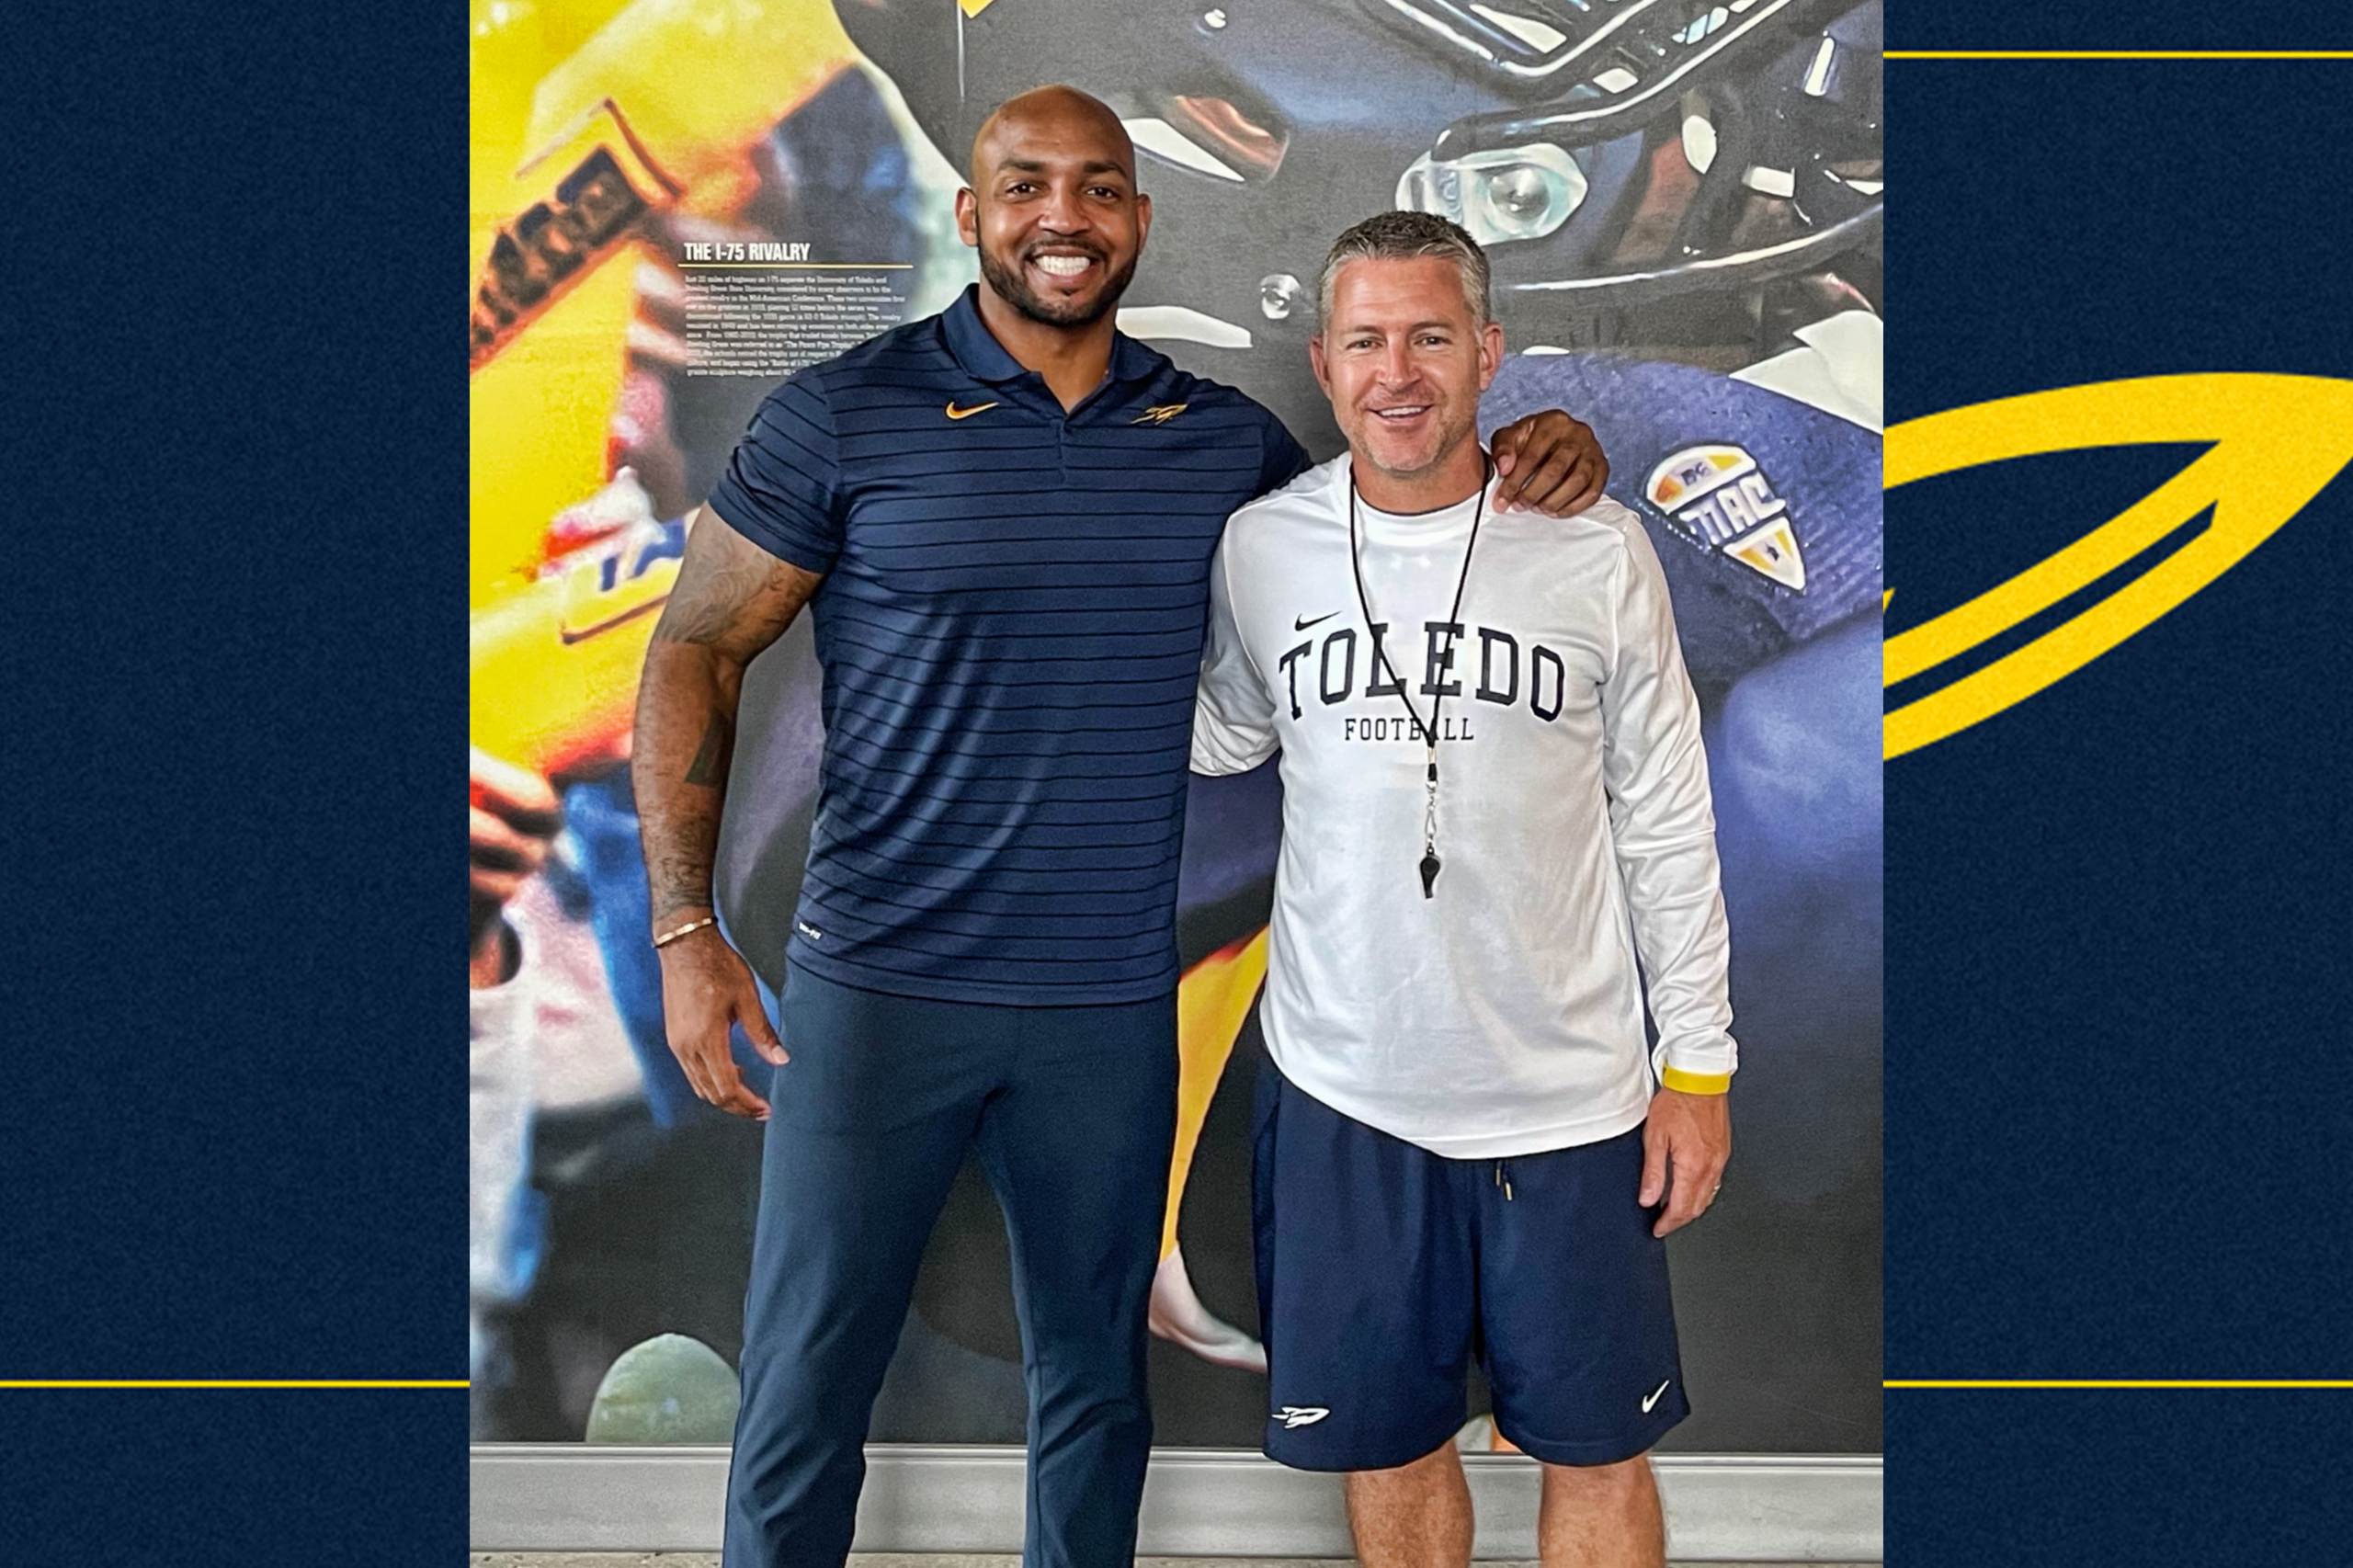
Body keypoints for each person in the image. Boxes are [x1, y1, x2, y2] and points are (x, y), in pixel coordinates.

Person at [630, 86, 1611, 1568]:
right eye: (1026, 186)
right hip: (879, 989)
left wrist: (1539, 448)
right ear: (974, 215)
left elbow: (1397, 518)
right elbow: (696, 647)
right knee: (805, 1385)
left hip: (1103, 1000)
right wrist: (684, 925)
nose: (1063, 218)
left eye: (1098, 188)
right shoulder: (844, 412)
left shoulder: (1221, 446)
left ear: (1140, 220)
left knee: (1094, 1392)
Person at [1189, 210, 1735, 1568]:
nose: (1399, 372)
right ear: (1322, 361)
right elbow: (1220, 735)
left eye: (1431, 335)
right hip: (1345, 1088)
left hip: (1572, 1090)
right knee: (1388, 1443)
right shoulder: (1262, 548)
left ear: (1488, 350)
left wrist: (1702, 1066)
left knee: (1597, 1448)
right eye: (1368, 339)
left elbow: (1667, 814)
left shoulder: (1598, 548)